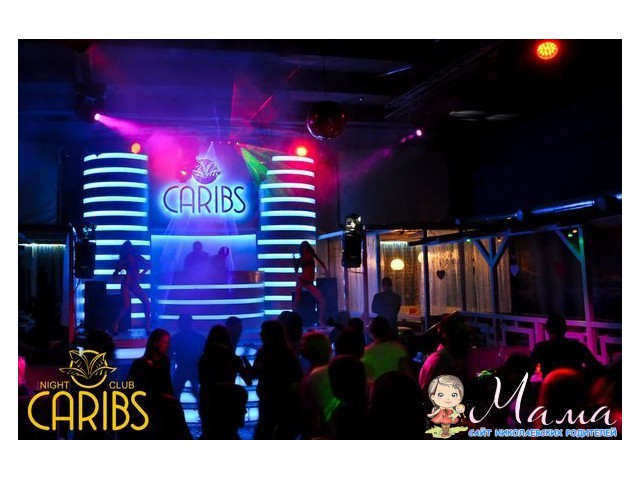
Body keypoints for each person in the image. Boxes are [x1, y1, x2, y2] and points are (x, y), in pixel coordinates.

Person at [127, 328, 192, 439]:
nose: (167, 345)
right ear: (155, 343)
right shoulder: (140, 364)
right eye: (165, 342)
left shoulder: (165, 361)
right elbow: (134, 388)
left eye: (168, 343)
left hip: (162, 402)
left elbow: (166, 384)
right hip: (147, 403)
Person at [530, 315, 604, 381]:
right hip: (575, 389)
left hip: (551, 389)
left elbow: (529, 369)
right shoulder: (577, 347)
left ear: (547, 329)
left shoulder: (541, 348)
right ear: (565, 329)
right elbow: (596, 367)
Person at [111, 240, 151, 335]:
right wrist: (118, 272)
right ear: (125, 249)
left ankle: (147, 326)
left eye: (130, 247)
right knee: (126, 306)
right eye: (128, 248)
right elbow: (115, 274)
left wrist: (141, 274)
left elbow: (149, 265)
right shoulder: (124, 260)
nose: (129, 249)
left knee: (146, 302)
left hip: (134, 284)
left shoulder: (137, 257)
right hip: (127, 284)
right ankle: (115, 324)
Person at [361, 316, 412, 384]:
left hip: (377, 389)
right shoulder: (400, 349)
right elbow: (408, 375)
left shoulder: (366, 353)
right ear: (388, 331)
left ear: (371, 333)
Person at [293, 241, 329, 326]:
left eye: (306, 246)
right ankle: (293, 320)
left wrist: (326, 270)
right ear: (301, 248)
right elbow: (296, 270)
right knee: (297, 301)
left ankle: (320, 320)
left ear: (308, 247)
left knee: (322, 300)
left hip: (309, 282)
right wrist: (295, 263)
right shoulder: (301, 259)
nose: (305, 248)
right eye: (303, 247)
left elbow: (320, 261)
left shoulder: (312, 255)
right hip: (302, 280)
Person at [171, 314, 205, 403]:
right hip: (194, 368)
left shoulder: (176, 337)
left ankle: (176, 409)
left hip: (183, 368)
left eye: (180, 322)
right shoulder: (199, 337)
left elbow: (170, 354)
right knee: (197, 392)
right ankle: (203, 408)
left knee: (175, 392)